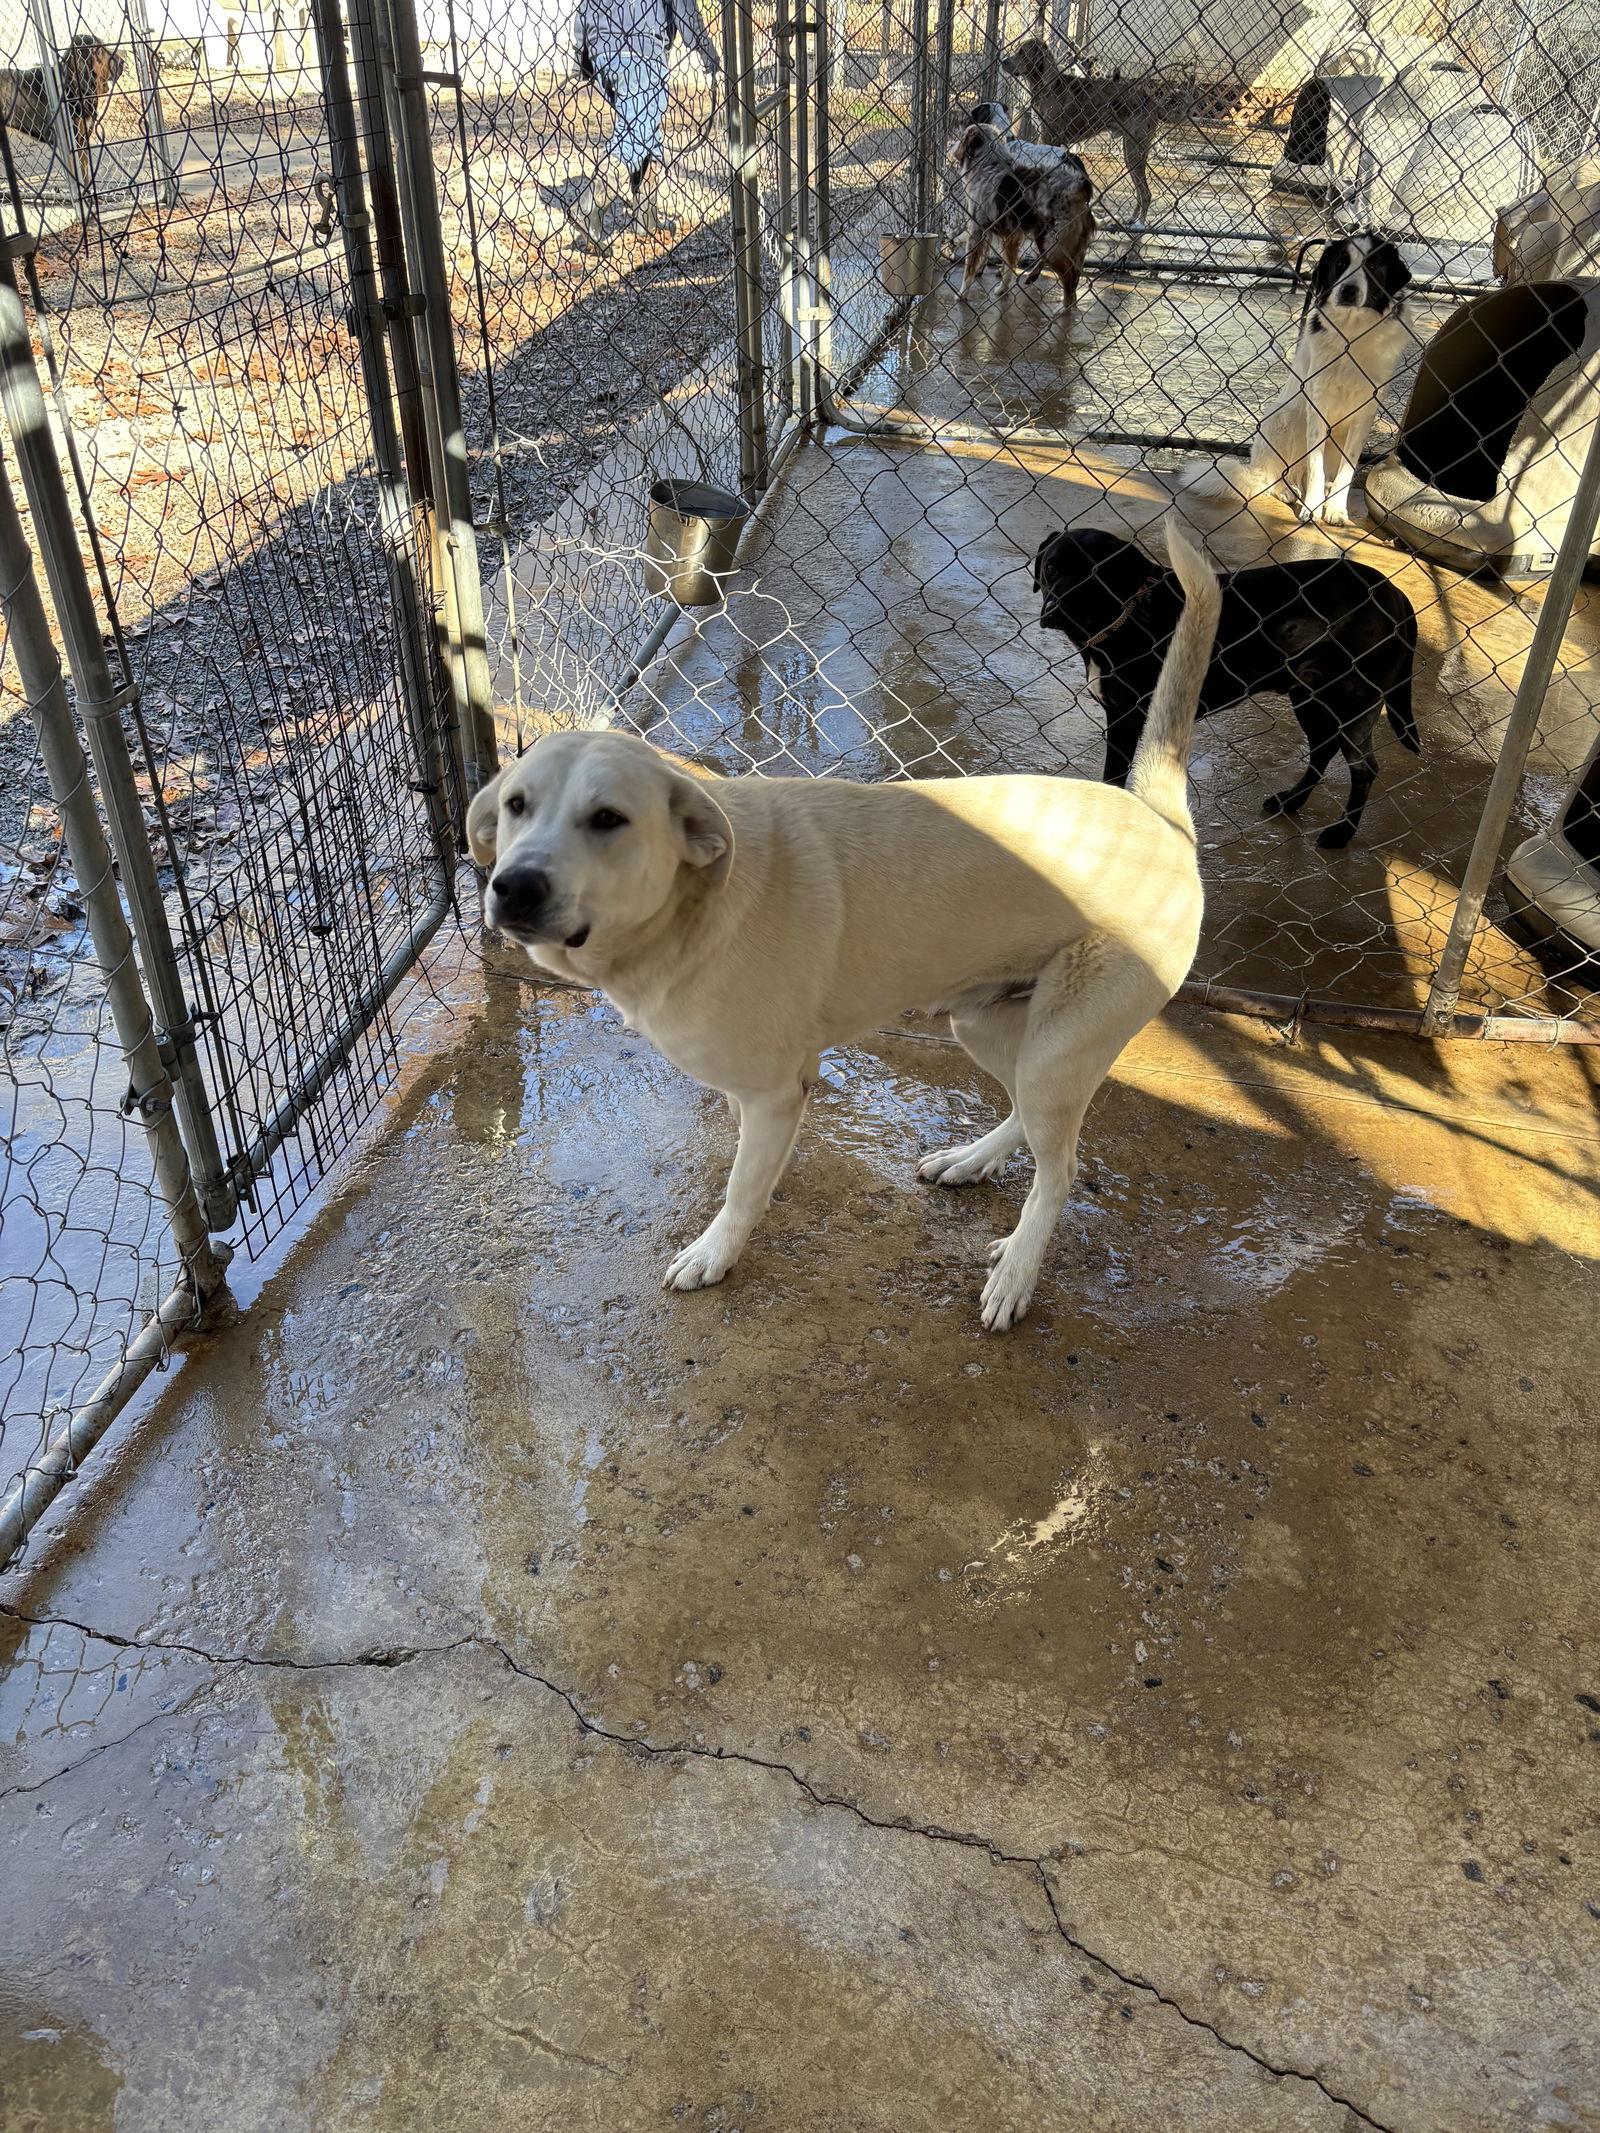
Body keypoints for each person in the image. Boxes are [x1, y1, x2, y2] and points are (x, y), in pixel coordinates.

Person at [569, 0, 719, 250]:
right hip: (642, 51)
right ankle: (589, 207)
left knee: (646, 130)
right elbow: (685, 8)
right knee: (635, 136)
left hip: (602, 53)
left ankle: (646, 219)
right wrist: (708, 54)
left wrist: (581, 59)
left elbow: (584, 7)